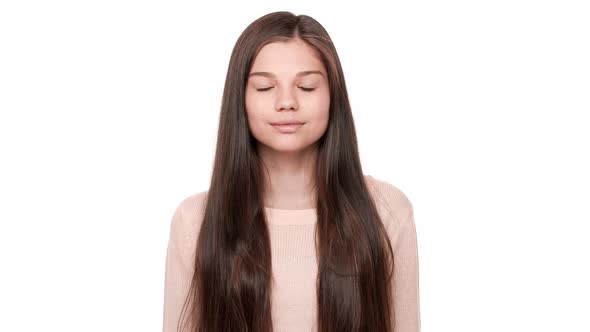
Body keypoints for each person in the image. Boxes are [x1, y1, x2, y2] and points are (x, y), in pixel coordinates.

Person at [162, 11, 420, 332]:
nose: (287, 102)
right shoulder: (195, 219)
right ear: (239, 99)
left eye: (307, 87)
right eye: (265, 87)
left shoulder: (387, 211)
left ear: (332, 97)